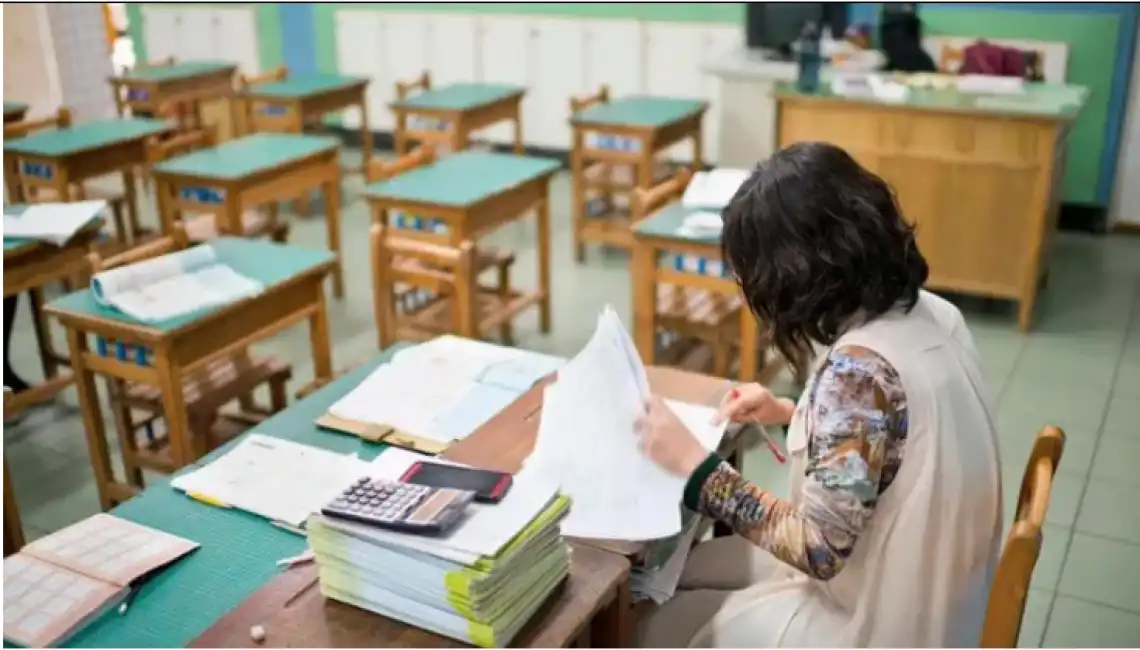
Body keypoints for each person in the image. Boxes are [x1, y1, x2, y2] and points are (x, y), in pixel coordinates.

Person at [635, 141, 1002, 647]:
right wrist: (793, 413)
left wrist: (698, 469)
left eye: (749, 274)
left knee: (653, 626)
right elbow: (892, 443)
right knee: (689, 571)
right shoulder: (935, 314)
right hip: (933, 589)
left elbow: (819, 549)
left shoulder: (859, 375)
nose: (743, 289)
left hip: (882, 621)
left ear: (798, 274)